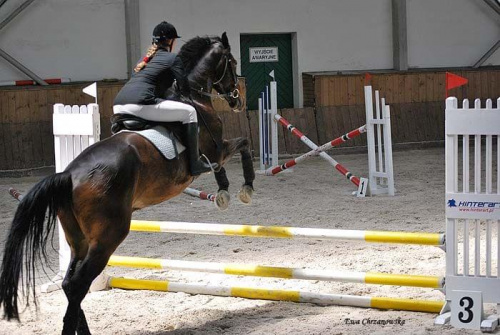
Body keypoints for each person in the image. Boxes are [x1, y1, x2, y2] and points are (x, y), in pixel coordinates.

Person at [113, 21, 217, 176]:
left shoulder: (143, 61)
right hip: (140, 104)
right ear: (170, 41)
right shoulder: (172, 59)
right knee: (189, 112)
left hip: (118, 104)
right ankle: (195, 163)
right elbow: (185, 89)